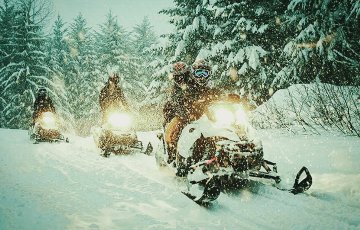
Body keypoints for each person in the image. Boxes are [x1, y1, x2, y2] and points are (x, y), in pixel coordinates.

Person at [163, 60, 221, 165]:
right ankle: (172, 150)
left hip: (205, 115)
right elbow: (177, 98)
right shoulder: (187, 84)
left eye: (205, 73)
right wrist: (185, 110)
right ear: (193, 73)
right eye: (199, 73)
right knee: (174, 126)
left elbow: (219, 94)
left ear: (209, 74)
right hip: (187, 114)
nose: (202, 76)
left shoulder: (210, 85)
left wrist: (229, 98)